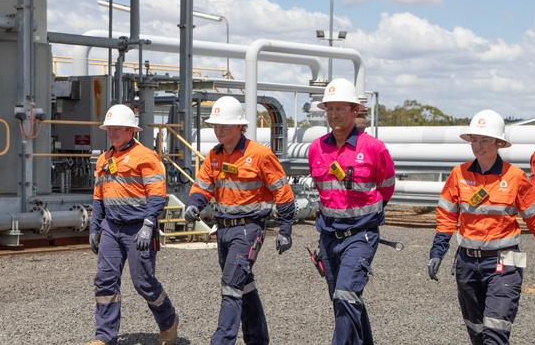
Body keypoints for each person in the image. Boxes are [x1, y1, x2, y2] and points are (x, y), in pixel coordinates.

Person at [427, 109, 535, 345]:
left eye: (485, 140)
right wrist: (437, 251)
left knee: (496, 331)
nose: (479, 146)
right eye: (475, 140)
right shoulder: (457, 174)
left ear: (499, 142)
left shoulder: (515, 177)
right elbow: (447, 216)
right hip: (466, 263)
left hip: (508, 260)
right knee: (478, 332)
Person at [184, 96, 295, 345]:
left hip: (249, 230)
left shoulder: (260, 155)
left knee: (231, 286)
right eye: (215, 125)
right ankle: (257, 339)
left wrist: (285, 229)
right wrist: (193, 205)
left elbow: (283, 192)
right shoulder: (214, 155)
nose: (218, 130)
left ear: (239, 126)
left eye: (224, 125)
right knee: (244, 285)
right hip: (223, 230)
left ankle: (222, 340)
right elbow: (202, 187)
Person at [308, 78, 396, 345]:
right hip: (328, 236)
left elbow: (387, 187)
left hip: (360, 235)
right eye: (329, 109)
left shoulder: (373, 148)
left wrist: (366, 214)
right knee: (343, 300)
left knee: (345, 295)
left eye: (340, 109)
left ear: (354, 111)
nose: (334, 115)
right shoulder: (316, 149)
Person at [86, 104, 178, 345]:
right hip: (112, 227)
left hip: (138, 228)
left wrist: (149, 224)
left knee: (144, 282)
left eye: (117, 128)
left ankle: (169, 321)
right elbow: (98, 197)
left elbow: (157, 194)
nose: (112, 133)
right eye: (109, 129)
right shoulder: (104, 159)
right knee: (105, 279)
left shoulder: (146, 157)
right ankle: (104, 337)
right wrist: (95, 226)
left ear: (131, 130)